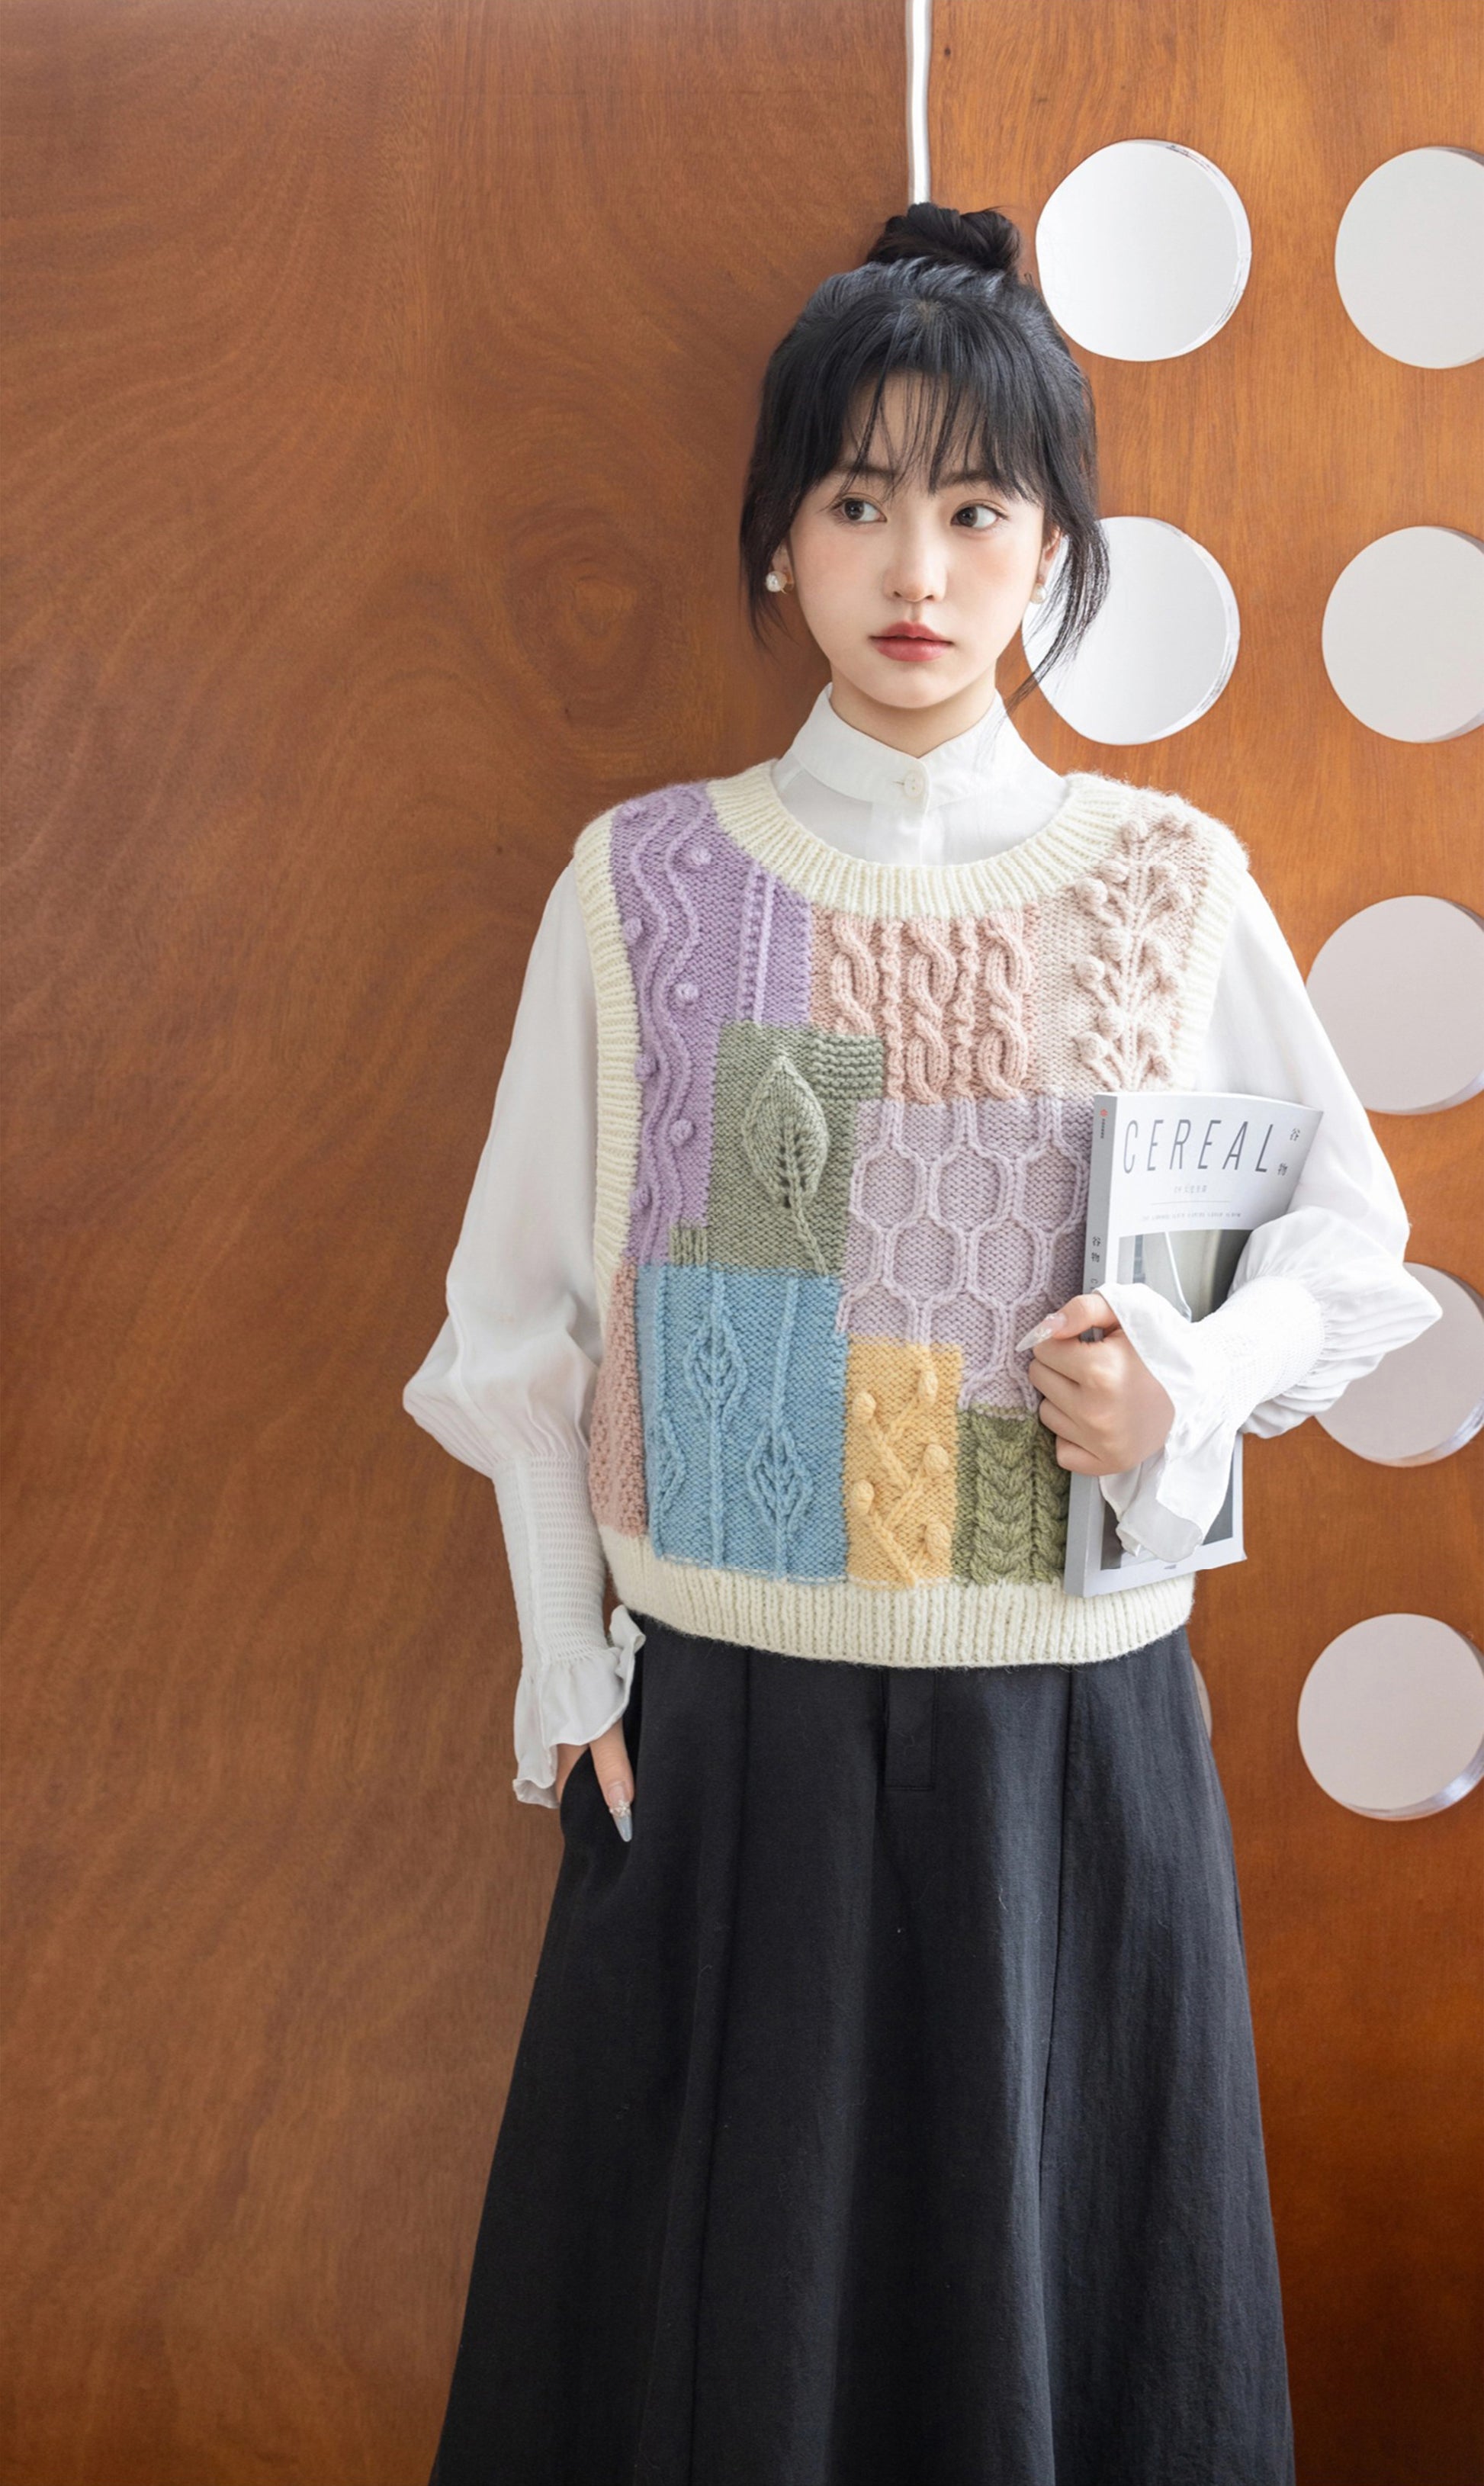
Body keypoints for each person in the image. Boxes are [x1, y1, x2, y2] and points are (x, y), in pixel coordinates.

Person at [404, 202, 1440, 2486]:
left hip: (1069, 1755)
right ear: (777, 539)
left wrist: (1185, 1387)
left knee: (1053, 2348)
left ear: (1053, 552)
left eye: (977, 508)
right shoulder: (644, 886)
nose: (914, 564)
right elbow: (513, 1324)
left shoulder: (1164, 880)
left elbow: (1356, 1242)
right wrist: (570, 1674)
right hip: (724, 1753)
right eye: (858, 498)